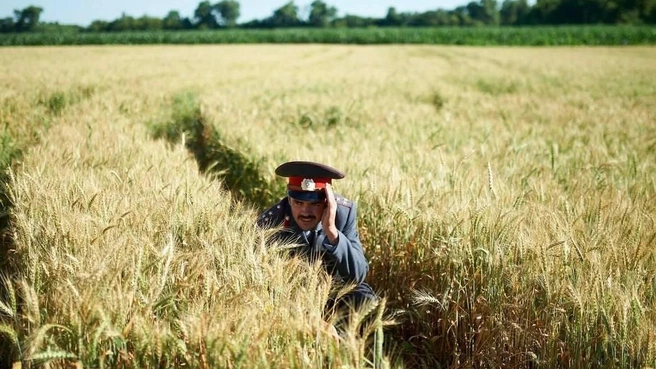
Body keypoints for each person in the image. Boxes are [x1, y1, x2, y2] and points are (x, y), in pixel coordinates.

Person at [257, 160, 377, 317]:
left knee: (366, 300)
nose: (305, 211)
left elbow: (358, 275)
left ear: (327, 202)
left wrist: (333, 233)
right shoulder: (271, 223)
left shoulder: (344, 214)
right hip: (291, 298)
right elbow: (267, 287)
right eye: (298, 202)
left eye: (314, 204)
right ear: (289, 199)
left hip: (335, 293)